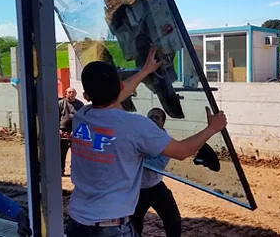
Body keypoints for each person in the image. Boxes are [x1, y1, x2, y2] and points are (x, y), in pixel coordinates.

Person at [64, 46, 227, 237]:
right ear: (121, 86)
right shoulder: (135, 125)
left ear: (86, 97)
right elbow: (182, 151)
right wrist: (212, 128)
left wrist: (146, 70)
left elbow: (114, 96)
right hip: (110, 228)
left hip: (77, 222)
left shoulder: (82, 115)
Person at [131, 108, 181, 237]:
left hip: (156, 186)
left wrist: (138, 158)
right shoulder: (138, 136)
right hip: (137, 188)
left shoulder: (167, 141)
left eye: (157, 117)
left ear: (163, 122)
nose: (153, 120)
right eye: (150, 117)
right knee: (134, 222)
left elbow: (158, 164)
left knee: (173, 219)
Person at [58, 87, 84, 176]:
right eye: (69, 92)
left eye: (73, 92)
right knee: (62, 152)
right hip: (63, 132)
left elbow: (82, 120)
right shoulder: (60, 103)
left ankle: (75, 171)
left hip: (75, 132)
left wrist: (76, 131)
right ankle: (61, 170)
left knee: (76, 153)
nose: (71, 94)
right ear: (65, 94)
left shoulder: (80, 105)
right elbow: (55, 118)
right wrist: (59, 129)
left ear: (75, 94)